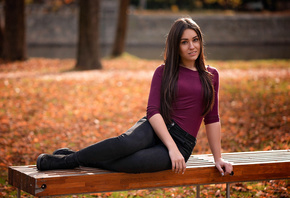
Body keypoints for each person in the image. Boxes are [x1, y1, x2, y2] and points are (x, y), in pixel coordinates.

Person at [37, 17, 233, 176]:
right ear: (176, 46)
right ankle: (66, 161)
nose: (192, 46)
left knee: (132, 163)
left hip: (183, 143)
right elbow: (153, 111)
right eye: (184, 42)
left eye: (195, 40)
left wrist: (218, 158)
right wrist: (170, 146)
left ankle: (73, 156)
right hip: (156, 126)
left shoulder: (211, 75)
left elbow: (212, 118)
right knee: (125, 143)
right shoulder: (163, 71)